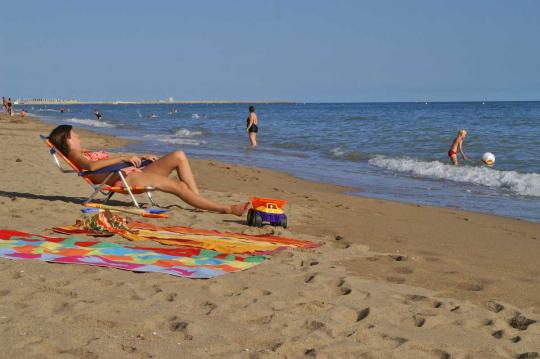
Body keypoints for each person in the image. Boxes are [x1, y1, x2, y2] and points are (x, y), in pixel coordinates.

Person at [47, 125, 249, 216]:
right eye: (75, 135)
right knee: (177, 186)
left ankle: (199, 202)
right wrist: (125, 158)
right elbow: (91, 167)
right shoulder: (77, 156)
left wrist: (140, 157)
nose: (79, 136)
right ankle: (227, 209)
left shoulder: (83, 151)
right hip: (124, 179)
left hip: (130, 171)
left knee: (178, 155)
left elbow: (107, 161)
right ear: (66, 139)